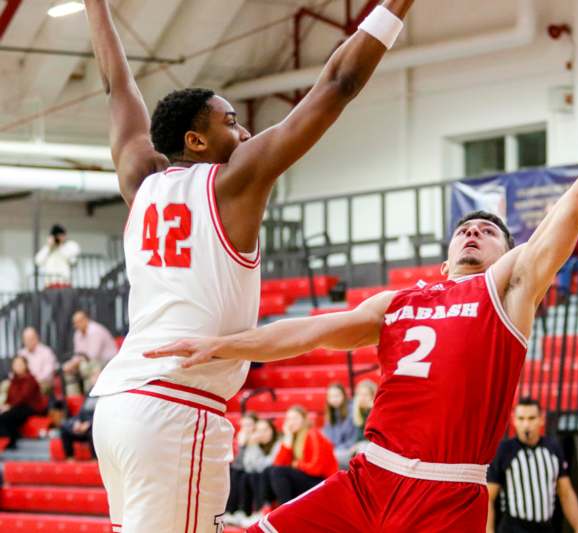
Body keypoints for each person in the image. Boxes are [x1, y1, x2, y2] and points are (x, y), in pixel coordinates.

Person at [145, 41, 578, 533]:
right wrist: (223, 345)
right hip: (369, 480)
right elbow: (309, 331)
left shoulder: (507, 292)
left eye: (487, 232)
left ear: (509, 256)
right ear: (443, 258)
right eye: (465, 228)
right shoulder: (398, 303)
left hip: (446, 493)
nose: (473, 233)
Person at [84, 0, 415, 529]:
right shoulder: (233, 180)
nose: (242, 134)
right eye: (231, 122)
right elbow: (338, 84)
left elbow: (116, 85)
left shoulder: (140, 181)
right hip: (176, 405)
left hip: (119, 406)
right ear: (195, 141)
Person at [487, 399, 578, 533]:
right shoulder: (505, 450)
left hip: (545, 527)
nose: (526, 425)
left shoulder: (553, 448)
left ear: (541, 419)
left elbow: (566, 493)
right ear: (514, 420)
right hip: (513, 527)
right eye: (521, 419)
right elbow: (489, 498)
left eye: (531, 418)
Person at [269, 406, 338, 506]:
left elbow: (316, 469)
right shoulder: (294, 436)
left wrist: (297, 464)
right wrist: (288, 436)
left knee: (278, 472)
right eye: (289, 419)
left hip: (323, 482)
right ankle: (270, 509)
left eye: (295, 418)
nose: (292, 422)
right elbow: (278, 464)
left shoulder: (313, 434)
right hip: (308, 478)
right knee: (270, 470)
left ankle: (285, 511)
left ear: (304, 419)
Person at [227, 416, 281, 527]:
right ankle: (242, 512)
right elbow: (248, 466)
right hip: (259, 479)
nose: (262, 433)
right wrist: (253, 445)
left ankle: (258, 511)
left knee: (255, 476)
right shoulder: (257, 444)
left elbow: (267, 466)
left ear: (273, 430)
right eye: (259, 430)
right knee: (244, 475)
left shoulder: (278, 443)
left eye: (266, 430)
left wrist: (254, 447)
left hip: (274, 481)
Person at [64, 310, 118, 396]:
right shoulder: (77, 334)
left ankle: (88, 398)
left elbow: (93, 355)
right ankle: (74, 399)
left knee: (85, 366)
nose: (76, 325)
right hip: (91, 362)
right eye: (75, 323)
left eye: (79, 321)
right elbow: (78, 354)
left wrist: (75, 363)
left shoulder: (96, 331)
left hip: (108, 362)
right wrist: (71, 364)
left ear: (86, 319)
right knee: (68, 369)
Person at [0, 356, 47, 448]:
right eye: (15, 364)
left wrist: (10, 406)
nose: (17, 366)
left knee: (7, 416)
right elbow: (10, 397)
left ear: (25, 366)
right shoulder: (14, 380)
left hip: (30, 407)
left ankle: (12, 439)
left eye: (20, 364)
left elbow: (24, 397)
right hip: (16, 407)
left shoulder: (30, 379)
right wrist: (5, 405)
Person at [59, 369, 101, 460]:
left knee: (93, 430)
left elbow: (103, 415)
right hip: (83, 423)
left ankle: (95, 459)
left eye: (97, 377)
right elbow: (81, 412)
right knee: (64, 426)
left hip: (96, 424)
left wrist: (89, 423)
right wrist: (77, 422)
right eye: (93, 377)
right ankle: (70, 458)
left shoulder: (105, 393)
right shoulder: (89, 393)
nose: (95, 379)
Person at [322, 383, 358, 468]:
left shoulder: (352, 410)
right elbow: (327, 439)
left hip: (349, 449)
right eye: (331, 396)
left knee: (332, 458)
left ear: (344, 396)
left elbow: (352, 439)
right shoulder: (330, 414)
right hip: (336, 450)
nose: (334, 399)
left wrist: (335, 450)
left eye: (337, 395)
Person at [34, 224, 81, 288]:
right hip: (50, 284)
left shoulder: (70, 245)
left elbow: (73, 261)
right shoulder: (48, 248)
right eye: (56, 236)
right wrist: (49, 247)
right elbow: (38, 261)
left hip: (65, 283)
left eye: (61, 235)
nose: (58, 238)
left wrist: (60, 246)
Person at [17, 327, 58, 392]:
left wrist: (33, 381)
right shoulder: (21, 353)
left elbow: (48, 372)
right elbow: (16, 370)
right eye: (26, 339)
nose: (29, 341)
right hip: (24, 383)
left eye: (31, 339)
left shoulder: (46, 351)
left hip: (42, 382)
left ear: (36, 338)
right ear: (23, 340)